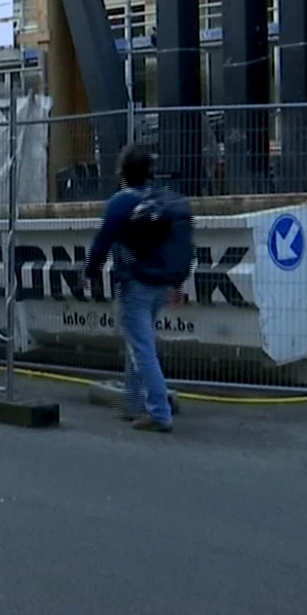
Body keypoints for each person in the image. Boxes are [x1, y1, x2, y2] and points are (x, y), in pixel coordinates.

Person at [85, 145, 194, 433]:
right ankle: (135, 404)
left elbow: (102, 242)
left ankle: (159, 412)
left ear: (121, 173)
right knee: (139, 344)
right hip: (161, 283)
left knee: (141, 347)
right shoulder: (163, 200)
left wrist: (90, 273)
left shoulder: (121, 202)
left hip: (134, 282)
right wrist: (177, 283)